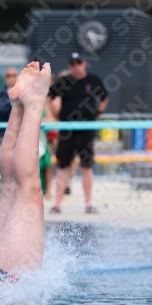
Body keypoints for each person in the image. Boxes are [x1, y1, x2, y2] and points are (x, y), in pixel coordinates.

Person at [0, 60, 51, 295]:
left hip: (3, 273)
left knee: (20, 187)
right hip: (2, 272)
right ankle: (26, 106)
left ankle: (22, 107)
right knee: (18, 188)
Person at [48, 52, 109, 213]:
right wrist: (55, 114)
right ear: (70, 66)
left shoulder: (93, 81)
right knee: (62, 167)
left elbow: (104, 97)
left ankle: (88, 203)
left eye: (78, 63)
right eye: (73, 64)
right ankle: (57, 204)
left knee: (86, 167)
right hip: (67, 130)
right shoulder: (65, 81)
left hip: (86, 130)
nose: (76, 67)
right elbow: (49, 96)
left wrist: (97, 113)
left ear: (84, 64)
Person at [0, 68, 17, 144]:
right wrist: (14, 100)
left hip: (20, 131)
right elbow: (2, 110)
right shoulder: (1, 94)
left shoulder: (23, 92)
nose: (11, 78)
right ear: (5, 78)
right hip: (5, 132)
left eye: (13, 75)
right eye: (8, 76)